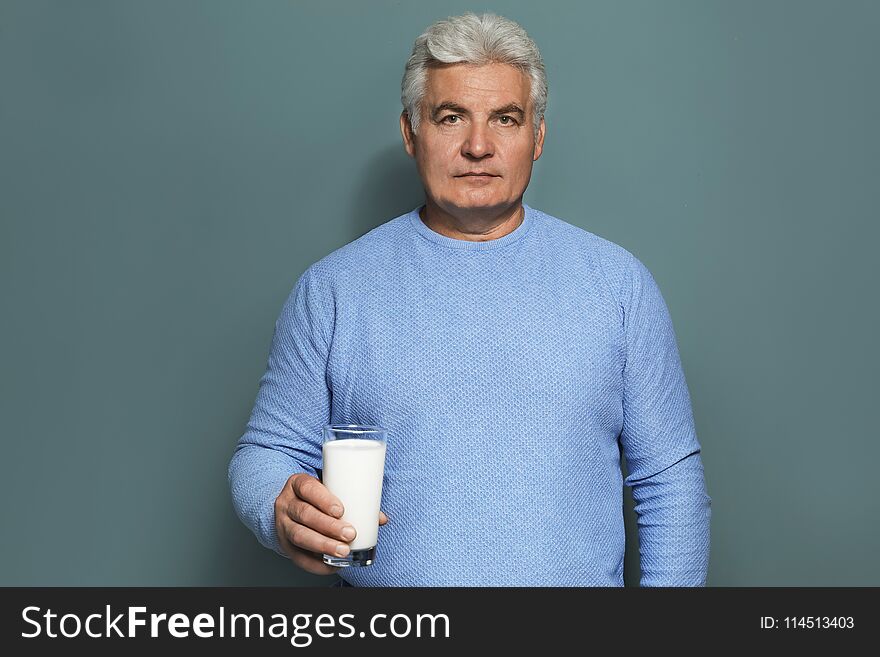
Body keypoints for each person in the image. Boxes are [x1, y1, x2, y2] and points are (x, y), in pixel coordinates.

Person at [228, 12, 711, 587]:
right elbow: (267, 452)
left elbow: (671, 485)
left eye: (505, 119)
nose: (478, 146)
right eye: (451, 117)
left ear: (537, 137)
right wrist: (278, 509)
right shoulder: (335, 290)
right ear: (411, 133)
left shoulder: (617, 286)